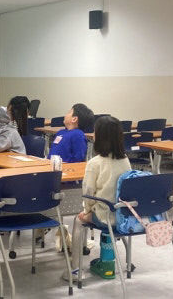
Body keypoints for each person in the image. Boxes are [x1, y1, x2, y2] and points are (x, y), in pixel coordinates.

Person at [66, 116, 131, 281]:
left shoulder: (94, 163)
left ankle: (75, 270)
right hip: (124, 215)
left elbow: (88, 192)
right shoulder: (125, 160)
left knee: (78, 221)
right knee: (105, 220)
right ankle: (114, 263)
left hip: (104, 216)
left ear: (99, 137)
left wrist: (86, 211)